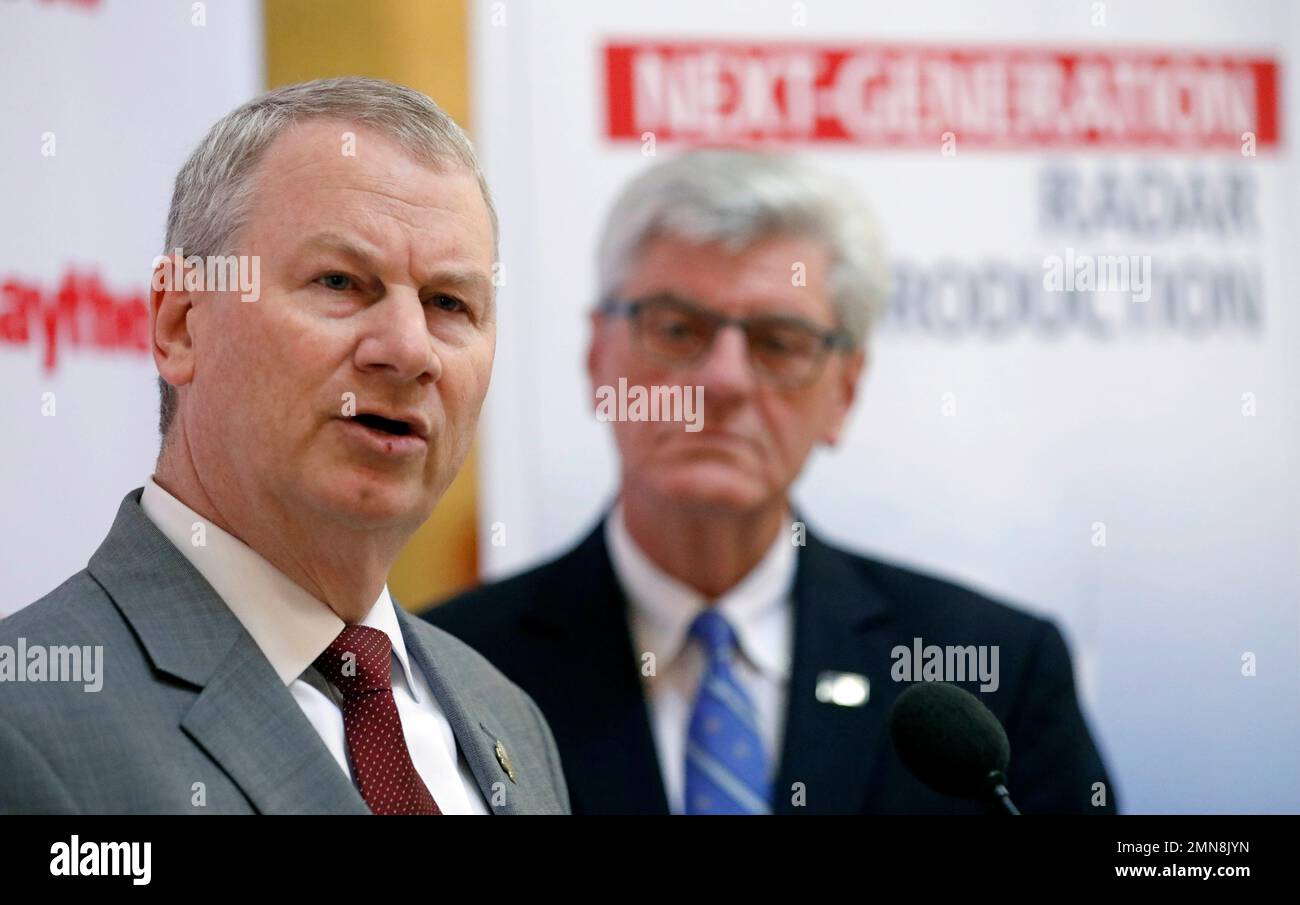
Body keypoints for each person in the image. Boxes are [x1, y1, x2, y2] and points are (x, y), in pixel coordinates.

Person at [426, 150, 1115, 815]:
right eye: (677, 328)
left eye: (779, 341)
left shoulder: (996, 673)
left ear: (844, 392)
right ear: (598, 356)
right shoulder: (448, 669)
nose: (723, 381)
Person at [0, 77, 568, 815]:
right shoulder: (27, 720)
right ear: (179, 324)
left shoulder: (510, 721)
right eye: (341, 282)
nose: (408, 349)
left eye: (449, 303)